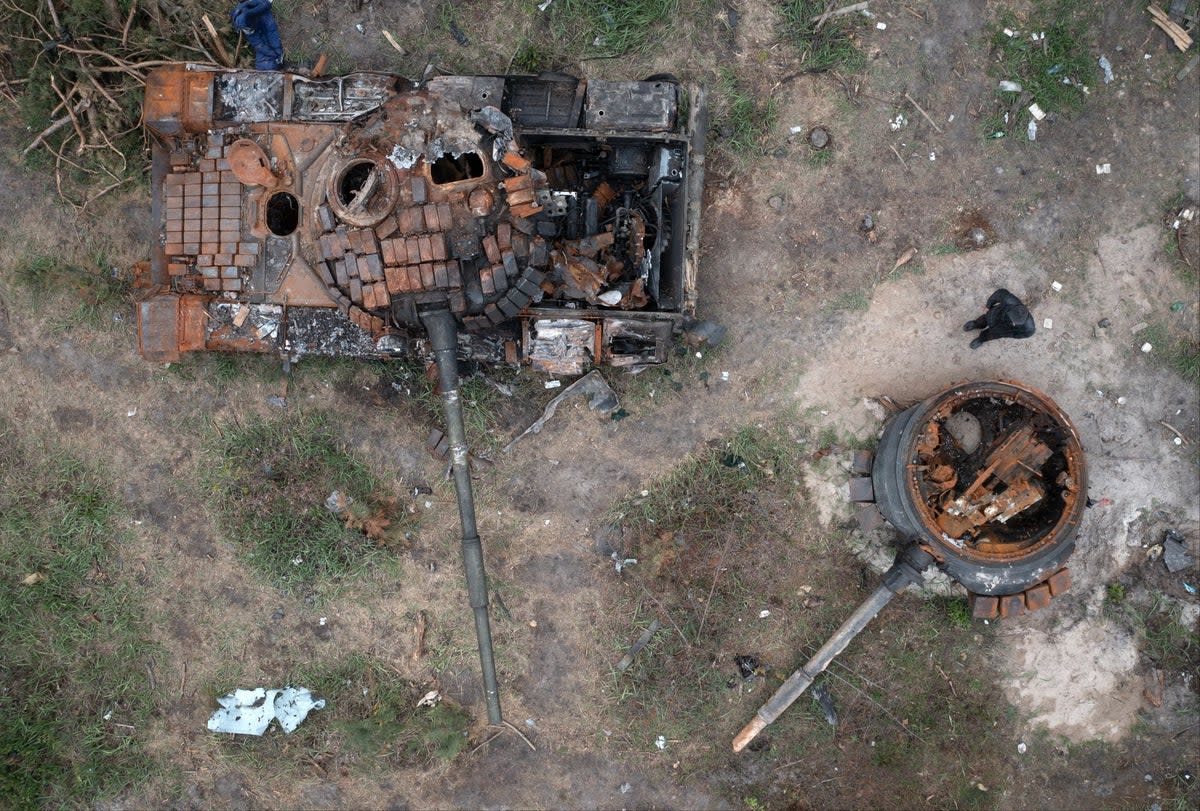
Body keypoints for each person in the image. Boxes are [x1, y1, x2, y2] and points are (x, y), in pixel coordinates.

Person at [963, 288, 1035, 349]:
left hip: (1001, 331)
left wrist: (1006, 334)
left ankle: (981, 339)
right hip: (993, 315)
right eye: (1012, 319)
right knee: (983, 320)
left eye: (1015, 323)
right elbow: (998, 294)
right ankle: (976, 324)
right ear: (1011, 309)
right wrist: (988, 306)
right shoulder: (1009, 300)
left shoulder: (1029, 329)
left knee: (990, 335)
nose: (1013, 322)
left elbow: (1020, 335)